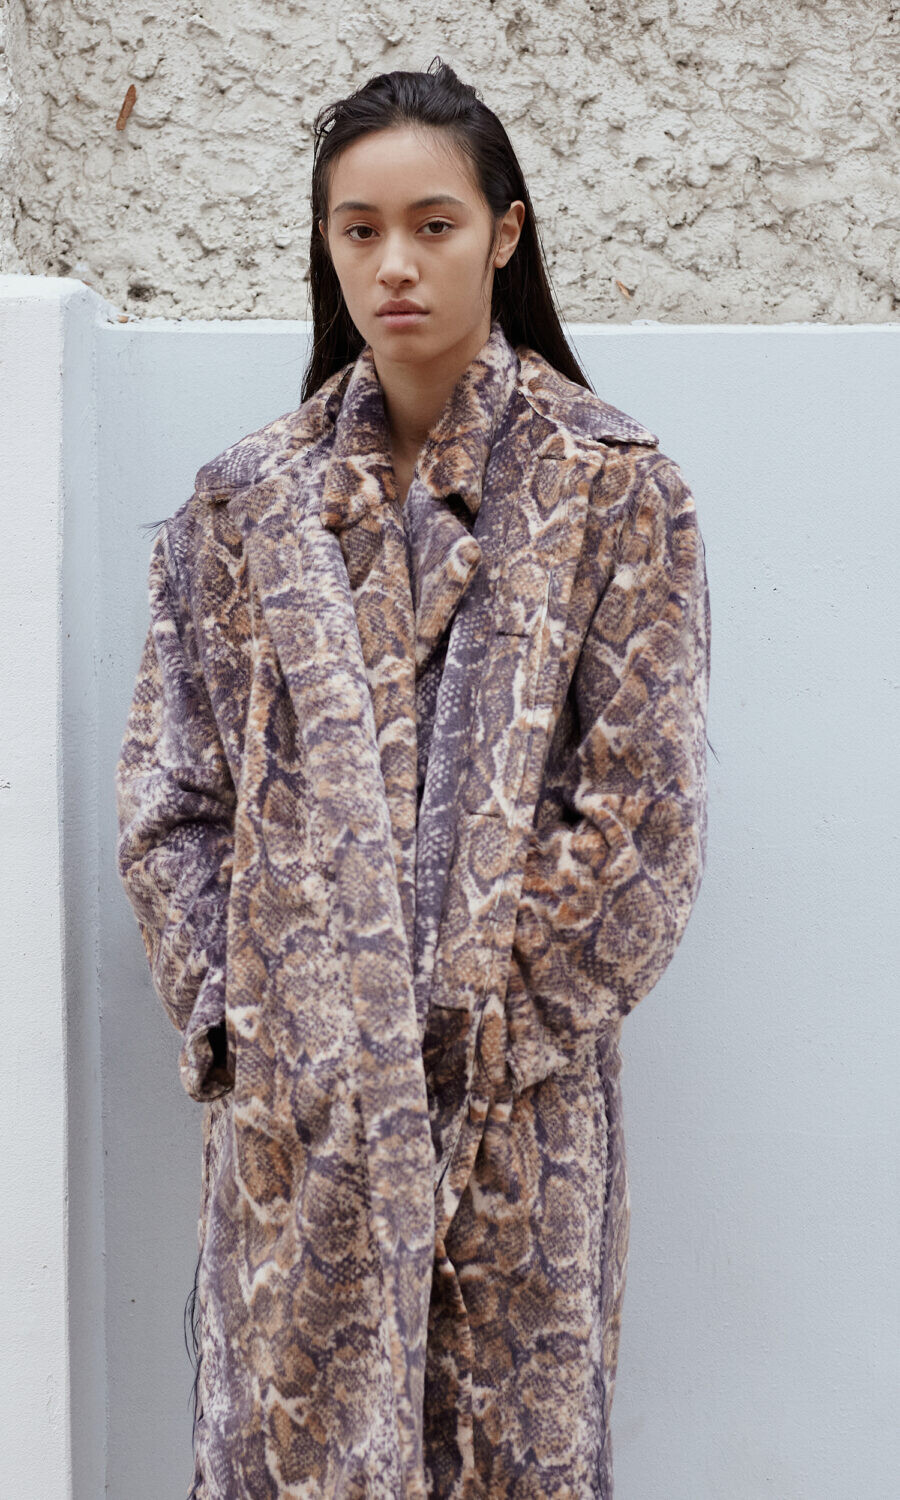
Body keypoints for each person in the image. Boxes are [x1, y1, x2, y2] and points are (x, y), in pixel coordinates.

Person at [115, 56, 711, 1500]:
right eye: (360, 229)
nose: (395, 264)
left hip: (513, 1130)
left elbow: (646, 816)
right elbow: (171, 800)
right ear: (328, 246)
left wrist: (491, 1039)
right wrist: (244, 1023)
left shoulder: (612, 488)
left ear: (504, 233)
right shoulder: (242, 507)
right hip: (298, 1128)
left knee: (508, 1460)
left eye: (433, 225)